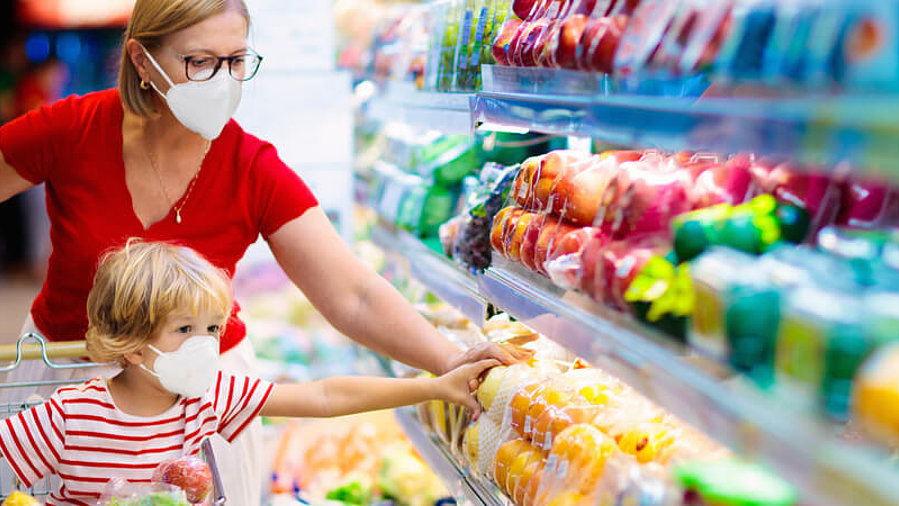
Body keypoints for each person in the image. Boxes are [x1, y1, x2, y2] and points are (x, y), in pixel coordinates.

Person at [0, 0, 529, 503]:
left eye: (235, 61)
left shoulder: (250, 166)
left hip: (199, 390)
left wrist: (451, 361)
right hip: (67, 379)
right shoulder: (72, 130)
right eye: (200, 62)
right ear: (142, 59)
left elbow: (355, 295)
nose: (223, 81)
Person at [0, 240, 498, 505]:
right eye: (184, 330)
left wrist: (434, 385)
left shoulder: (209, 395)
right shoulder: (70, 417)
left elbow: (323, 396)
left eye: (213, 328)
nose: (206, 346)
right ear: (131, 345)